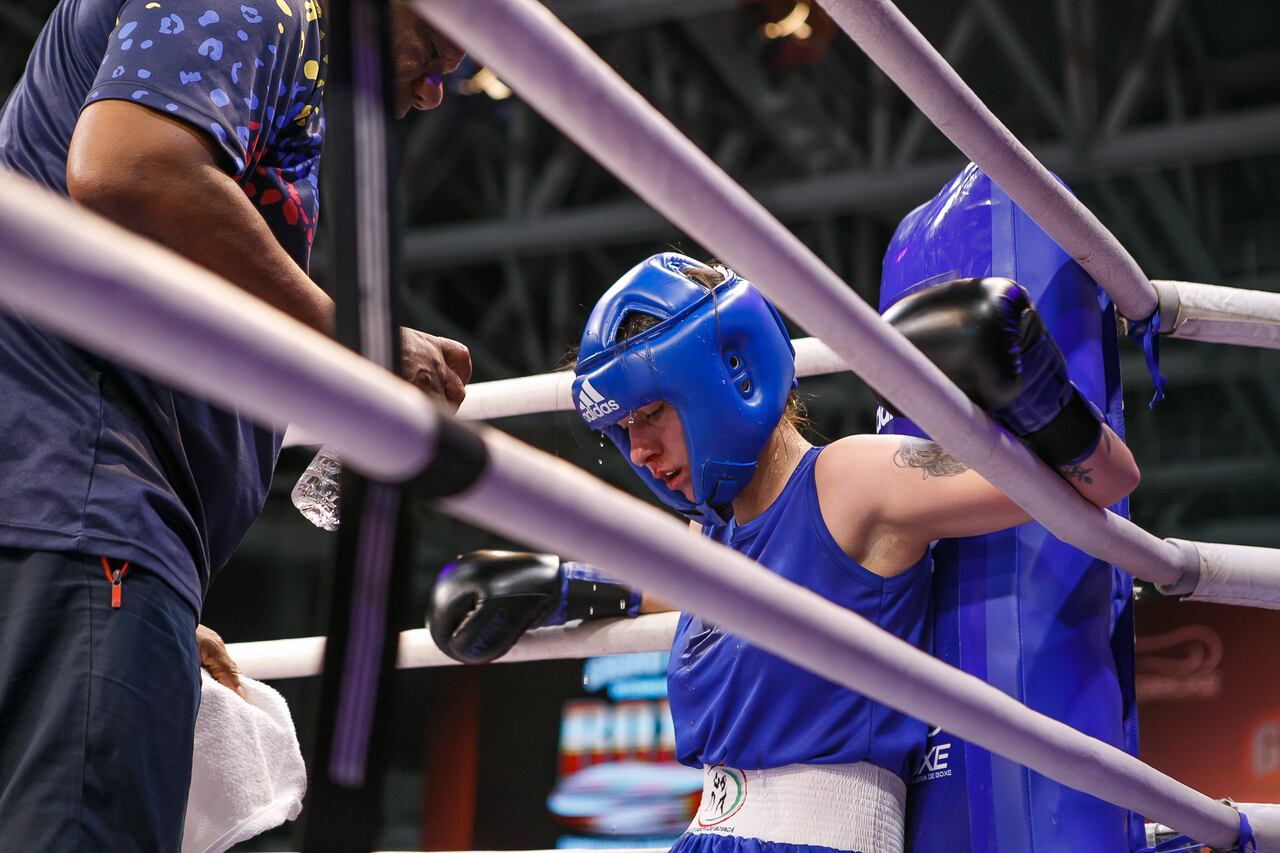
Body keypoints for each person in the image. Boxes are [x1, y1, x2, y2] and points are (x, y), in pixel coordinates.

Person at [428, 252, 1140, 853]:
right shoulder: (713, 532)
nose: (639, 450)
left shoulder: (848, 481)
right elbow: (682, 590)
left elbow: (1100, 484)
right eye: (622, 428)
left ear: (732, 375)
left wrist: (1036, 394)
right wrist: (555, 588)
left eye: (651, 413)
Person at [0, 0, 471, 846]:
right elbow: (129, 169)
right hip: (81, 517)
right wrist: (355, 345)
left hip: (69, 526)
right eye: (443, 49)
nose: (439, 91)